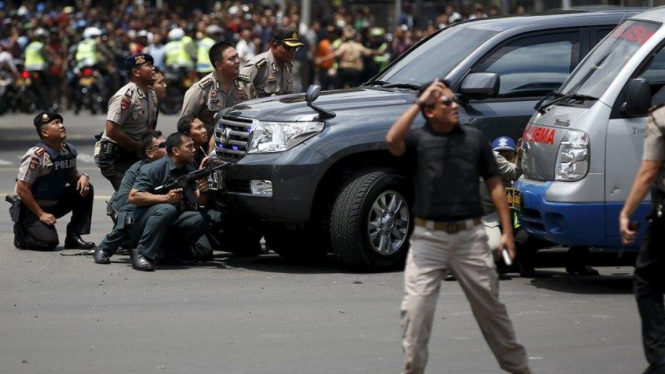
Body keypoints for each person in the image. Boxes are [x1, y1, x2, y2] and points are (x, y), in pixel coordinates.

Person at [385, 80, 530, 374]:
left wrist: (507, 233)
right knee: (416, 313)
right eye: (446, 103)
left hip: (470, 238)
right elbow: (392, 140)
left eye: (455, 101)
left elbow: (496, 186)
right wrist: (418, 102)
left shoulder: (475, 139)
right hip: (428, 239)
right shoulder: (418, 140)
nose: (455, 106)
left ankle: (520, 370)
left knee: (492, 312)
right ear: (429, 111)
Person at [620, 104, 665, 374]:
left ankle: (660, 361)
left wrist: (626, 212)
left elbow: (649, 172)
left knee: (647, 281)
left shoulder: (660, 118)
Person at [127, 132, 214, 271]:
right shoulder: (155, 168)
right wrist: (165, 198)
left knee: (202, 217)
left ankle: (168, 253)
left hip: (169, 220)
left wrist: (203, 190)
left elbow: (199, 202)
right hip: (141, 221)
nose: (194, 150)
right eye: (189, 146)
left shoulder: (188, 168)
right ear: (176, 151)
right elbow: (134, 196)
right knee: (167, 209)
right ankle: (142, 253)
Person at [11, 112, 95, 251]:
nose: (61, 126)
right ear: (45, 132)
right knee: (48, 243)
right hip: (30, 209)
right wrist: (41, 214)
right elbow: (22, 189)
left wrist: (83, 177)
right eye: (55, 123)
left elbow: (72, 176)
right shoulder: (36, 155)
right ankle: (22, 235)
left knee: (86, 188)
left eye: (61, 122)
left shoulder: (67, 151)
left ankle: (74, 236)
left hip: (53, 203)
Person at [93, 131, 166, 264]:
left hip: (152, 206)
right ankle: (105, 247)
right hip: (126, 206)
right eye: (162, 145)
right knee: (129, 217)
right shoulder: (137, 169)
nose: (167, 148)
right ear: (149, 153)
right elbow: (123, 201)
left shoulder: (170, 165)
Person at [97, 53, 158, 191]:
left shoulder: (151, 94)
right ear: (136, 72)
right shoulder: (125, 96)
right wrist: (137, 147)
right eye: (148, 66)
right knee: (130, 196)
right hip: (116, 155)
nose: (153, 68)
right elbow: (112, 130)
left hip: (136, 153)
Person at [182, 41, 256, 136]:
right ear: (219, 65)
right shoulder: (201, 89)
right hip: (209, 143)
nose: (237, 61)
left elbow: (255, 113)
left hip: (241, 139)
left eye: (237, 56)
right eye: (232, 59)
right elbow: (185, 125)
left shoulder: (246, 84)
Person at [240, 26, 303, 98]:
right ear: (275, 46)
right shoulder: (259, 66)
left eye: (295, 48)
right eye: (289, 48)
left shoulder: (287, 66)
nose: (293, 52)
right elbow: (240, 95)